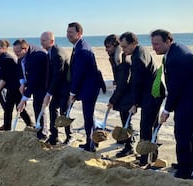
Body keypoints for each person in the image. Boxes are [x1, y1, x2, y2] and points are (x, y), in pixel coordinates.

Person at [151, 29, 193, 178]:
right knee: (189, 134)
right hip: (192, 100)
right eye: (152, 44)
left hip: (188, 101)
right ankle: (189, 163)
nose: (153, 47)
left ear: (168, 41)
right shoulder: (177, 49)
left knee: (182, 134)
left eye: (156, 44)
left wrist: (167, 110)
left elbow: (175, 88)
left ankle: (185, 169)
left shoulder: (175, 58)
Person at [118, 32, 165, 163]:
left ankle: (145, 159)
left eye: (125, 46)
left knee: (145, 126)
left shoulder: (138, 58)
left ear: (134, 43)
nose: (123, 49)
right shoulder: (140, 50)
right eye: (121, 47)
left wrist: (134, 103)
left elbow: (136, 83)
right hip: (153, 91)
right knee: (151, 124)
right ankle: (151, 155)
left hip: (153, 93)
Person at [66, 22, 105, 152]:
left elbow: (78, 73)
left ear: (79, 33)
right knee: (90, 115)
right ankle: (92, 141)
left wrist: (72, 92)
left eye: (71, 32)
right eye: (67, 32)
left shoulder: (81, 49)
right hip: (90, 86)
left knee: (88, 116)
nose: (68, 35)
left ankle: (91, 145)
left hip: (89, 87)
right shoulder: (81, 45)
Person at [0, 40, 32, 131]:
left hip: (17, 87)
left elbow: (4, 78)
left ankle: (30, 124)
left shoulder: (7, 59)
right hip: (10, 87)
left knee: (20, 108)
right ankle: (7, 127)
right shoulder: (0, 58)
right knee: (8, 108)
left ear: (4, 48)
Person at [40, 31, 72, 145]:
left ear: (52, 41)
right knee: (53, 109)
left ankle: (70, 136)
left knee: (64, 113)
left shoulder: (57, 54)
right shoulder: (50, 51)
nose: (41, 43)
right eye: (41, 40)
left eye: (44, 41)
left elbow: (56, 76)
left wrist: (48, 94)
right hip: (57, 88)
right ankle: (54, 136)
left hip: (65, 88)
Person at [15, 39, 49, 140]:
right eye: (14, 51)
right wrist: (22, 83)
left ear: (24, 49)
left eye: (17, 52)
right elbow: (20, 69)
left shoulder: (37, 56)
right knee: (36, 106)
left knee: (41, 107)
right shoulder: (21, 55)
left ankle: (44, 133)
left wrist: (24, 99)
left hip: (42, 85)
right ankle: (39, 128)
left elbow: (34, 79)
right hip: (32, 83)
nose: (15, 54)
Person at [105, 34, 133, 148]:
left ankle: (129, 145)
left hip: (127, 91)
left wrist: (112, 100)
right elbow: (118, 79)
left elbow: (122, 84)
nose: (106, 50)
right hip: (122, 90)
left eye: (108, 47)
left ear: (116, 46)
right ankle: (125, 139)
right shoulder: (113, 58)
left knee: (126, 117)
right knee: (123, 115)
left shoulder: (123, 60)